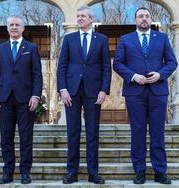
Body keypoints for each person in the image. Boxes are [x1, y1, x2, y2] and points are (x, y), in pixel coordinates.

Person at [113, 7, 177, 185]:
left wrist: (161, 74)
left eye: (147, 16)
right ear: (135, 20)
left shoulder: (162, 38)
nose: (144, 19)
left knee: (158, 133)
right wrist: (133, 76)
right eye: (140, 16)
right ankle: (139, 171)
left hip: (158, 92)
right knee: (138, 133)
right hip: (135, 92)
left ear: (150, 20)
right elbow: (117, 64)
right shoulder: (125, 40)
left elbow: (172, 62)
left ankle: (160, 172)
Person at [57, 5, 111, 185]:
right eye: (78, 16)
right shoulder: (69, 39)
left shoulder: (101, 39)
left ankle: (93, 173)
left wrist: (104, 90)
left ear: (91, 19)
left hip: (93, 92)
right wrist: (62, 89)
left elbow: (106, 67)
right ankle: (71, 172)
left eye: (83, 16)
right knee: (72, 133)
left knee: (92, 133)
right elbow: (62, 66)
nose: (79, 18)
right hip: (71, 92)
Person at [0, 15, 42, 184]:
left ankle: (25, 172)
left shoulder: (32, 48)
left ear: (22, 29)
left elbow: (37, 74)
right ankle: (8, 172)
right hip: (4, 99)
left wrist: (36, 95)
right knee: (6, 137)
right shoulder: (0, 49)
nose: (13, 27)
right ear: (7, 28)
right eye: (11, 25)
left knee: (26, 137)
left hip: (26, 100)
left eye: (17, 25)